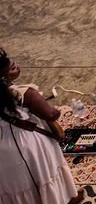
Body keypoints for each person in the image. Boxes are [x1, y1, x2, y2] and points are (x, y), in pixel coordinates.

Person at [1, 48, 82, 204]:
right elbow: (51, 114)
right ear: (3, 77)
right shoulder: (24, 93)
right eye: (12, 67)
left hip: (3, 151)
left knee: (17, 186)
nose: (17, 66)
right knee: (44, 175)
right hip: (27, 145)